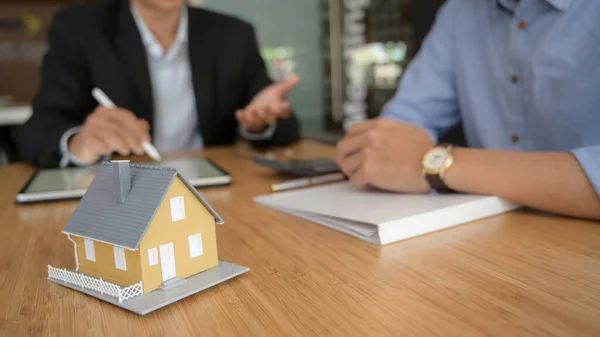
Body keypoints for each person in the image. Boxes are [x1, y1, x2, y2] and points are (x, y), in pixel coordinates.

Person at [336, 0, 600, 220]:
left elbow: (413, 158)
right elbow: (400, 129)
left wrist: (435, 164)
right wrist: (378, 150)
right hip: (489, 232)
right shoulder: (461, 11)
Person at [16, 0, 300, 168]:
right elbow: (39, 129)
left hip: (215, 193)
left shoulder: (234, 35)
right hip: (118, 198)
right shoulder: (79, 29)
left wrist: (263, 123)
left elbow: (281, 119)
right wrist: (79, 141)